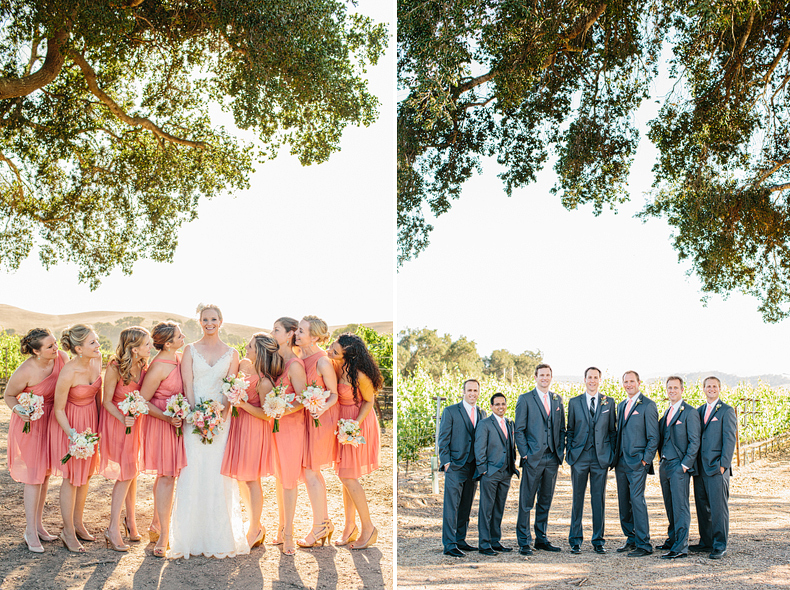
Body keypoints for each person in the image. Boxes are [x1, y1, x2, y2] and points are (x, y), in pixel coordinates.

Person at [169, 303, 249, 559]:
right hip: (195, 421)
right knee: (193, 472)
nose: (209, 323)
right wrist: (195, 414)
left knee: (217, 475)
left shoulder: (232, 353)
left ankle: (219, 536)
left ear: (221, 321)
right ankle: (190, 538)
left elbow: (231, 388)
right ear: (199, 322)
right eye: (205, 319)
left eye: (214, 319)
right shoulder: (190, 350)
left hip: (221, 423)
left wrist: (219, 417)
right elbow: (188, 384)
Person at [4, 328, 68, 552]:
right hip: (30, 424)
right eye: (49, 346)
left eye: (55, 343)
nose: (55, 348)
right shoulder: (26, 370)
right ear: (36, 351)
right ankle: (29, 530)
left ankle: (39, 525)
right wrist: (21, 409)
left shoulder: (62, 358)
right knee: (33, 476)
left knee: (46, 475)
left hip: (52, 420)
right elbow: (8, 396)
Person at [220, 333, 281, 548]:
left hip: (254, 429)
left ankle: (255, 528)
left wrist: (243, 404)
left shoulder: (265, 382)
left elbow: (267, 414)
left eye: (251, 346)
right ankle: (255, 523)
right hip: (238, 426)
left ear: (260, 351)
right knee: (240, 477)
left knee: (252, 479)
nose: (246, 347)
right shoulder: (244, 364)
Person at [50, 325, 103, 553]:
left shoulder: (97, 359)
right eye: (92, 342)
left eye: (97, 340)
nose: (98, 345)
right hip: (69, 424)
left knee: (87, 474)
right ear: (79, 348)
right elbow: (58, 409)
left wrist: (99, 428)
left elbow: (98, 395)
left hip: (91, 421)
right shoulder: (68, 372)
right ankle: (68, 531)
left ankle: (79, 523)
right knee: (71, 477)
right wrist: (73, 436)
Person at [327, 332, 383, 550]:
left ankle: (368, 528)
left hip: (357, 422)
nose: (330, 352)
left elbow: (369, 401)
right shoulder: (335, 363)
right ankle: (350, 527)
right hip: (342, 421)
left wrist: (354, 425)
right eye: (332, 347)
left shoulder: (359, 373)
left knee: (348, 476)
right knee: (345, 475)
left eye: (335, 351)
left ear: (348, 355)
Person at [98, 327, 151, 552]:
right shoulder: (114, 367)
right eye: (147, 344)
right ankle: (112, 528)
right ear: (135, 348)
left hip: (134, 421)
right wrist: (123, 418)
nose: (151, 347)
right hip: (118, 422)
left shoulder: (143, 364)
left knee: (132, 471)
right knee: (126, 472)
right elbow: (106, 401)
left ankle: (130, 521)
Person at [140, 321, 187, 558]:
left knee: (165, 475)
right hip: (161, 423)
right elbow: (142, 401)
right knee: (167, 476)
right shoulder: (158, 366)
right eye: (179, 336)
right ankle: (165, 533)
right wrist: (167, 418)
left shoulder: (178, 358)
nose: (183, 337)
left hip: (175, 421)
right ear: (167, 343)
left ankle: (156, 524)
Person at [295, 316, 340, 548]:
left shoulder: (322, 361)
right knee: (309, 471)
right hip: (303, 418)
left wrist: (319, 408)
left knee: (312, 471)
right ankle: (324, 523)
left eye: (301, 331)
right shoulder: (299, 355)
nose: (297, 333)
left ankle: (320, 526)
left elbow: (334, 394)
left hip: (320, 419)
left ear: (314, 336)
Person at [514, 363, 565, 555]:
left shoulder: (557, 399)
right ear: (535, 377)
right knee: (526, 501)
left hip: (552, 458)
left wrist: (560, 452)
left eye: (548, 375)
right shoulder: (525, 399)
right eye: (541, 375)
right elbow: (519, 430)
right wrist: (525, 453)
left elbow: (561, 428)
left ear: (551, 377)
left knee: (545, 500)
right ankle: (524, 541)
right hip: (532, 458)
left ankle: (541, 538)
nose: (545, 378)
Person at [565, 366, 617, 554]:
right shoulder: (574, 402)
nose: (592, 380)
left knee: (598, 500)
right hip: (579, 457)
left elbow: (612, 431)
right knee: (577, 499)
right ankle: (575, 540)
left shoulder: (609, 402)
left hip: (600, 458)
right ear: (585, 379)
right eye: (590, 377)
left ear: (599, 380)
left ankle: (598, 540)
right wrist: (570, 452)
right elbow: (569, 429)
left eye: (596, 377)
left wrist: (610, 455)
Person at [269, 316, 308, 555]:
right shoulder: (275, 360)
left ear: (289, 334)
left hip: (291, 426)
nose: (272, 333)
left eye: (276, 330)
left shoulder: (294, 364)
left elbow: (303, 399)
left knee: (289, 480)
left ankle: (290, 533)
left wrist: (282, 409)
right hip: (274, 426)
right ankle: (282, 526)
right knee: (279, 478)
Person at [613, 370, 659, 557]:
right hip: (621, 461)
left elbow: (654, 437)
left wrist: (645, 460)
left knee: (637, 500)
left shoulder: (648, 405)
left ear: (639, 382)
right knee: (624, 503)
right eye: (626, 382)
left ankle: (644, 544)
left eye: (632, 381)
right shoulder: (621, 405)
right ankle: (631, 538)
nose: (628, 384)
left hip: (638, 462)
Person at [691, 376, 737, 559]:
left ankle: (719, 545)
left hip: (717, 468)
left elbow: (730, 439)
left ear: (719, 389)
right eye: (708, 386)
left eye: (714, 386)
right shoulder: (699, 411)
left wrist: (724, 465)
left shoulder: (726, 411)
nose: (711, 388)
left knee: (718, 508)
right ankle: (706, 542)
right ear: (703, 389)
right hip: (700, 468)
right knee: (702, 506)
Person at [438, 378, 485, 557]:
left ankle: (460, 539)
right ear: (463, 392)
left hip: (474, 467)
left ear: (478, 393)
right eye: (469, 390)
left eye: (475, 390)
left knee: (466, 504)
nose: (472, 393)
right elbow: (443, 438)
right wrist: (446, 462)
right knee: (452, 506)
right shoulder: (451, 411)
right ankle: (449, 545)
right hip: (455, 465)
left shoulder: (482, 412)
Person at [656, 376, 701, 559]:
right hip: (665, 465)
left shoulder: (689, 412)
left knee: (680, 506)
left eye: (675, 387)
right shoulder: (666, 413)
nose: (672, 391)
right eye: (669, 388)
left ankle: (681, 547)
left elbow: (694, 441)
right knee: (669, 505)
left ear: (682, 390)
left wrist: (684, 465)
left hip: (679, 466)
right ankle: (673, 538)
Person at [475, 392, 518, 556]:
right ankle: (484, 544)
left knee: (499, 508)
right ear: (492, 407)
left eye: (503, 404)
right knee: (486, 508)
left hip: (506, 473)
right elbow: (479, 448)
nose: (501, 407)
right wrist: (483, 469)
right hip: (490, 473)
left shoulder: (509, 423)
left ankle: (495, 540)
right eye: (497, 404)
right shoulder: (485, 424)